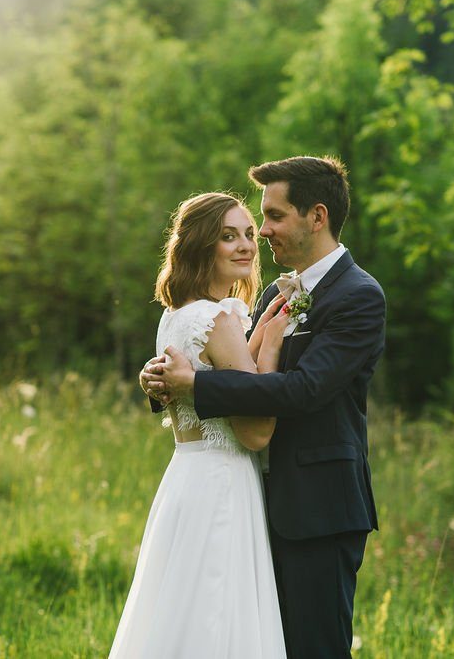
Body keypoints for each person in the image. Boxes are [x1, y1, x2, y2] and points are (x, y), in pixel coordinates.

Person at [142, 156, 385, 658]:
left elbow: (302, 391)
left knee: (315, 648)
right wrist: (164, 378)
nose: (263, 234)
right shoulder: (275, 292)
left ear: (315, 217)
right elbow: (238, 369)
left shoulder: (359, 297)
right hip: (251, 499)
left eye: (273, 218)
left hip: (318, 507)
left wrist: (196, 388)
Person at [109, 192, 289, 658]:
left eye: (250, 233)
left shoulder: (175, 317)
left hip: (185, 479)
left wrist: (256, 335)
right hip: (224, 484)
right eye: (228, 236)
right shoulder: (219, 319)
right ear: (201, 245)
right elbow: (257, 432)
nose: (246, 245)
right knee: (217, 615)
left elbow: (215, 379)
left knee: (178, 611)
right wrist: (269, 348)